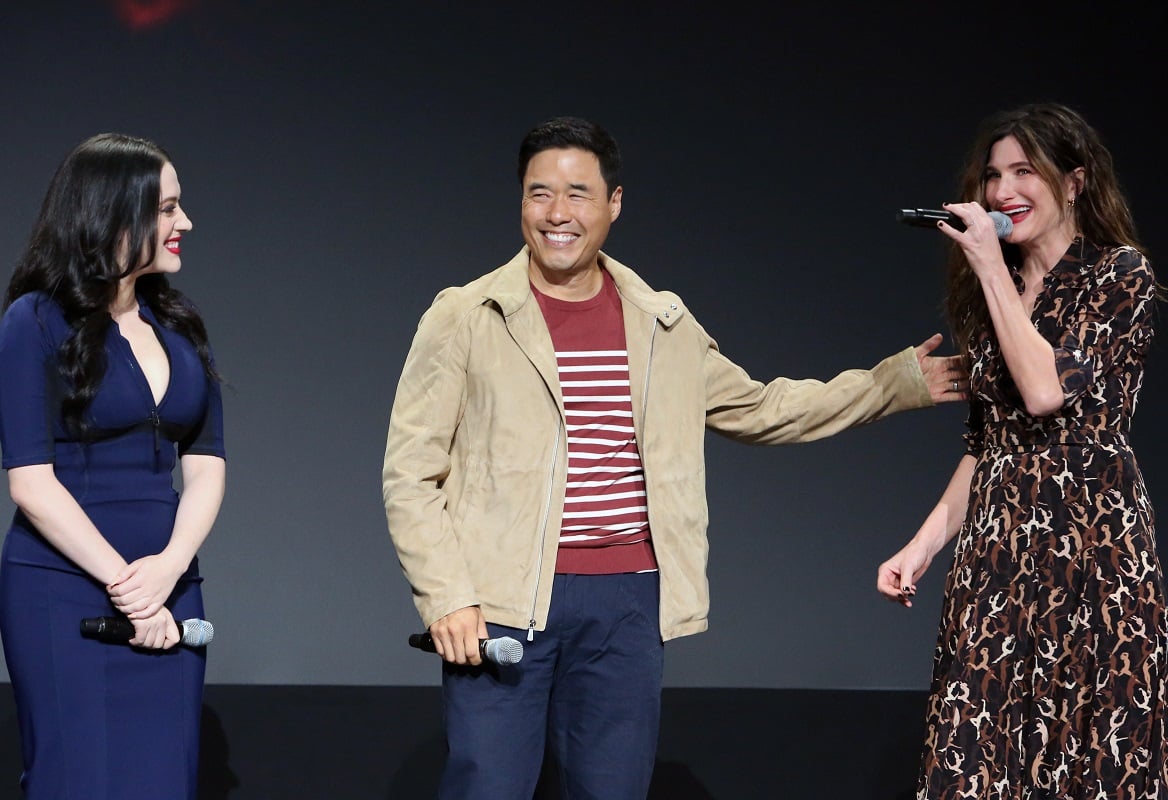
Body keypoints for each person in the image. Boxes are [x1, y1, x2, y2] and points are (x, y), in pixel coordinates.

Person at [383, 116, 964, 799]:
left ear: (614, 204)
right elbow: (410, 472)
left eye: (577, 193)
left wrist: (891, 385)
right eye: (539, 193)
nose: (557, 213)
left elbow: (762, 408)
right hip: (504, 603)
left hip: (627, 601)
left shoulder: (661, 324)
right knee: (488, 790)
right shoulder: (467, 315)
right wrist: (447, 595)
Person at [877, 103, 1167, 796]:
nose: (1002, 191)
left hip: (1091, 552)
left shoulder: (1118, 275)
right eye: (993, 175)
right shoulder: (994, 293)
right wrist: (920, 547)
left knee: (1086, 754)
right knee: (975, 754)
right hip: (997, 559)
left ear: (1074, 182)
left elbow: (1044, 392)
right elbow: (988, 444)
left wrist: (988, 267)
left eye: (1024, 172)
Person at [0, 133, 225, 799]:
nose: (185, 223)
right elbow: (31, 483)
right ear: (117, 214)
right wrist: (127, 586)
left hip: (170, 587)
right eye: (169, 208)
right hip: (64, 591)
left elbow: (206, 464)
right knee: (78, 778)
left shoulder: (179, 327)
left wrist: (170, 567)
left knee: (162, 779)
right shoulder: (34, 322)